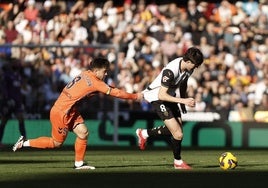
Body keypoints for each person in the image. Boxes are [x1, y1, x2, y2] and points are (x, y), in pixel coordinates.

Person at [12, 57, 143, 170]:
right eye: (105, 71)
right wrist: (135, 96)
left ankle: (79, 163)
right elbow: (117, 93)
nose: (106, 74)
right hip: (62, 112)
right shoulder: (96, 82)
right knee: (56, 143)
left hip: (69, 110)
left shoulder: (85, 73)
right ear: (96, 71)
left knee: (83, 132)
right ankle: (24, 143)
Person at [136, 47, 204, 170]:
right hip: (157, 97)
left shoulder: (189, 68)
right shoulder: (171, 70)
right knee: (177, 134)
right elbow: (161, 94)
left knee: (178, 132)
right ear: (188, 62)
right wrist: (183, 100)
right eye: (196, 65)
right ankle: (178, 162)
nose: (196, 67)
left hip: (170, 96)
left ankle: (144, 133)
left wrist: (183, 101)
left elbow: (183, 83)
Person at [0, 59, 27, 148]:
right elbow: (3, 87)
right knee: (4, 121)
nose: (17, 64)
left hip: (17, 102)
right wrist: (7, 98)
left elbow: (21, 87)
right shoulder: (7, 75)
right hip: (9, 101)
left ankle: (24, 140)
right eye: (15, 63)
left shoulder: (18, 76)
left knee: (21, 118)